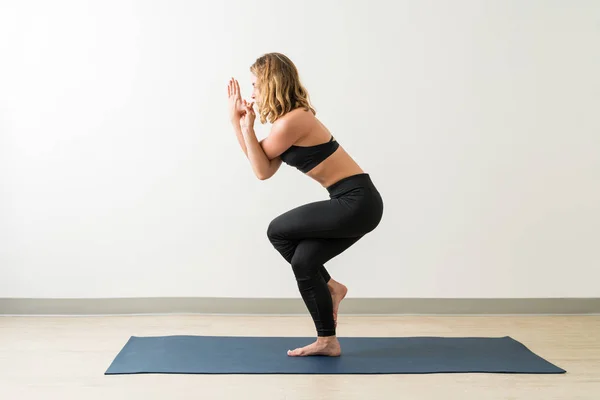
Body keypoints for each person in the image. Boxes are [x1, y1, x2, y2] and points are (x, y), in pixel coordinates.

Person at [227, 52, 384, 357]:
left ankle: (331, 289)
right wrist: (240, 125)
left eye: (257, 84)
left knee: (278, 230)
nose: (253, 92)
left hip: (357, 200)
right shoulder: (287, 122)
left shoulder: (294, 121)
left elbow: (260, 171)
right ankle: (328, 339)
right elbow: (266, 167)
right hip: (351, 201)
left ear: (272, 83)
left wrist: (244, 127)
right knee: (303, 262)